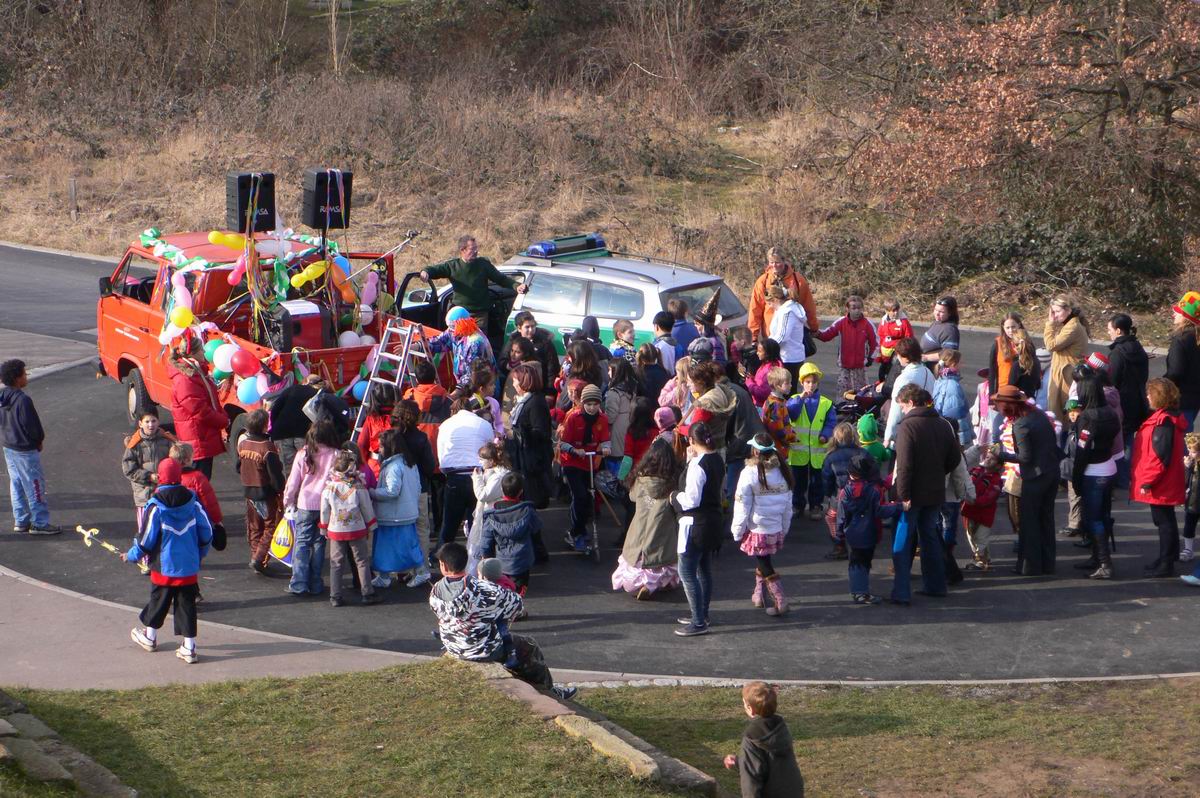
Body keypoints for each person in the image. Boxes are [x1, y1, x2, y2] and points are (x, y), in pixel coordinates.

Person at [429, 542, 576, 699]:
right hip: (483, 649)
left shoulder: (435, 590)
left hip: (453, 646)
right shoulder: (484, 589)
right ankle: (550, 692)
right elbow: (517, 606)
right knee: (529, 646)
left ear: (443, 565)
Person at [124, 458, 211, 664]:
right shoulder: (193, 501)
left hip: (163, 565)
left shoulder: (155, 505)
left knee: (159, 600)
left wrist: (131, 555)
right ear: (179, 476)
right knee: (186, 603)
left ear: (160, 477)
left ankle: (150, 636)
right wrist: (200, 553)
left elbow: (146, 540)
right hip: (188, 564)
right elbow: (206, 531)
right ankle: (189, 647)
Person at [891, 384, 962, 603]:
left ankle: (901, 592)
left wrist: (903, 495)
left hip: (912, 494)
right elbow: (955, 458)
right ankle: (935, 585)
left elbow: (904, 465)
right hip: (935, 491)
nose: (902, 411)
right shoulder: (943, 424)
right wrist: (938, 473)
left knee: (903, 541)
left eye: (902, 406)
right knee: (930, 538)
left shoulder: (908, 426)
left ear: (911, 403)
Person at [992, 385, 1060, 576]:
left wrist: (1001, 455)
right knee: (1046, 520)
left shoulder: (1021, 425)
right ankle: (1047, 564)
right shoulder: (1038, 415)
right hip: (1051, 472)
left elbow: (1024, 457)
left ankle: (1030, 566)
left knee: (1029, 522)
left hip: (1035, 477)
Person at [421, 235, 528, 353]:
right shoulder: (453, 266)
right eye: (472, 249)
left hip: (480, 315)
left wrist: (516, 286)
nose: (476, 251)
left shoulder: (483, 264)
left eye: (476, 248)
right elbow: (435, 270)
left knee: (478, 346)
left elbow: (500, 278)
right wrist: (426, 272)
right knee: (459, 345)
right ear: (463, 250)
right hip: (460, 317)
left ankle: (479, 365)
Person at [731, 434, 794, 616]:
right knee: (763, 559)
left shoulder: (749, 473)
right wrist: (784, 528)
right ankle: (758, 595)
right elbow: (788, 506)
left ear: (755, 451)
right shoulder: (783, 471)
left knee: (765, 563)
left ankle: (780, 600)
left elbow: (742, 505)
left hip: (758, 529)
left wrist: (737, 530)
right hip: (775, 527)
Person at [1132, 378, 1189, 578]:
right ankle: (1168, 557)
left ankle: (1166, 562)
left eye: (1150, 393)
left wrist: (1148, 481)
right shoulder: (1169, 419)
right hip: (1167, 479)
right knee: (1167, 520)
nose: (1147, 396)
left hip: (1160, 481)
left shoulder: (1162, 422)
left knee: (1163, 522)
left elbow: (1159, 456)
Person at [612, 439, 682, 600]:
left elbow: (632, 497)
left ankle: (639, 585)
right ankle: (653, 585)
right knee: (665, 565)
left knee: (635, 563)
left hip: (639, 531)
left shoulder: (640, 480)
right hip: (661, 533)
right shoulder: (673, 483)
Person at [673, 422, 724, 637]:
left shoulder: (698, 465)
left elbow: (691, 500)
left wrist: (674, 497)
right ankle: (702, 614)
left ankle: (698, 621)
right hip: (712, 521)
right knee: (704, 570)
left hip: (695, 524)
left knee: (687, 572)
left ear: (692, 440)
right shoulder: (717, 459)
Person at [0, 359, 59, 535]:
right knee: (35, 486)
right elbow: (32, 426)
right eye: (24, 374)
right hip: (25, 451)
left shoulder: (2, 398)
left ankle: (21, 520)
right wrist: (38, 441)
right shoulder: (23, 400)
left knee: (16, 484)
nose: (26, 376)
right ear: (17, 378)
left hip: (9, 447)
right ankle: (40, 523)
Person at [283, 419, 341, 596]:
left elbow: (293, 483)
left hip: (305, 504)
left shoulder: (303, 454)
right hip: (327, 507)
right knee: (319, 543)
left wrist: (288, 502)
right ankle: (316, 583)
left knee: (302, 543)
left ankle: (299, 583)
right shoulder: (336, 454)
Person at [1070, 378, 1121, 579]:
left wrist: (1076, 477)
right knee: (1104, 514)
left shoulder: (1088, 417)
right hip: (1109, 467)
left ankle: (1104, 563)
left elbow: (1082, 450)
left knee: (1093, 518)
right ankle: (1097, 558)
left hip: (1093, 472)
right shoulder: (1110, 412)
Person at [319, 449, 382, 607]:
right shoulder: (358, 487)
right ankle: (367, 593)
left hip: (336, 530)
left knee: (336, 563)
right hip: (356, 529)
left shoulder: (329, 488)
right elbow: (366, 508)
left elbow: (324, 511)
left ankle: (335, 596)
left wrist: (324, 528)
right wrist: (371, 525)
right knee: (361, 561)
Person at [722, 681, 805, 798]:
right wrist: (739, 762)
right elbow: (770, 763)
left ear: (750, 709)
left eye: (744, 703)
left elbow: (751, 782)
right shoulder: (780, 728)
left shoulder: (751, 738)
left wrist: (745, 763)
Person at [836, 454, 900, 604]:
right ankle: (860, 592)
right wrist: (898, 507)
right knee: (864, 562)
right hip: (870, 532)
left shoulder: (845, 491)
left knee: (856, 562)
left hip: (852, 533)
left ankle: (859, 591)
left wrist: (839, 535)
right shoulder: (874, 490)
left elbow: (841, 516)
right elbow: (880, 511)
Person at [435, 394, 494, 553]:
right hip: (478, 475)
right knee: (477, 522)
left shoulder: (445, 425)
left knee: (449, 523)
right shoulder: (483, 424)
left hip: (454, 476)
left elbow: (441, 454)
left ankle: (440, 555)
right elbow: (490, 448)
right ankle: (477, 555)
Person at [389, 401, 438, 586]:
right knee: (421, 530)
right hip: (419, 489)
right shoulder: (421, 438)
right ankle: (421, 569)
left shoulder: (391, 436)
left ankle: (401, 570)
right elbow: (429, 467)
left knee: (400, 529)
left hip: (396, 491)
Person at [558, 383, 611, 553]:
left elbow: (606, 440)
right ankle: (575, 532)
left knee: (588, 497)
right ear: (583, 403)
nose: (592, 408)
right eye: (588, 404)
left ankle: (580, 529)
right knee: (579, 495)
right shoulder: (573, 417)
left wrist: (606, 448)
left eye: (595, 404)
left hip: (590, 462)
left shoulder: (603, 419)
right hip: (572, 462)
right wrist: (574, 450)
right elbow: (563, 443)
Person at [369, 429, 423, 590]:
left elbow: (392, 491)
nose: (379, 449)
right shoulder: (409, 463)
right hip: (407, 513)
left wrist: (372, 492)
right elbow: (418, 487)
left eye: (381, 446)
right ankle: (419, 571)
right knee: (409, 546)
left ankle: (386, 576)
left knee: (385, 548)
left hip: (392, 515)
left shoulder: (392, 466)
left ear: (389, 447)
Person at [166, 338, 227, 478]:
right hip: (197, 438)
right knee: (198, 482)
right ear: (192, 353)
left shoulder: (194, 373)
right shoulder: (185, 379)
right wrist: (223, 421)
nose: (204, 352)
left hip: (200, 436)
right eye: (201, 349)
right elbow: (199, 411)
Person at [236, 409, 286, 574]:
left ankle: (255, 556)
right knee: (271, 526)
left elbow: (238, 467)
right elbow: (275, 474)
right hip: (266, 493)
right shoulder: (267, 447)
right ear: (265, 426)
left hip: (249, 492)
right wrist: (280, 489)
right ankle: (259, 558)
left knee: (254, 526)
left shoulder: (243, 444)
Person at [786, 362, 834, 520]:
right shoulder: (794, 399)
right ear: (801, 382)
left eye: (813, 382)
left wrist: (825, 435)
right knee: (798, 481)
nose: (811, 385)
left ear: (817, 383)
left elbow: (830, 423)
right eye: (807, 382)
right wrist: (801, 399)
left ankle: (816, 505)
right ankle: (797, 505)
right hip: (798, 450)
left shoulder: (826, 403)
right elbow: (791, 414)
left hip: (817, 451)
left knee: (817, 481)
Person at [478, 472, 540, 594]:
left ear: (502, 490)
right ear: (521, 491)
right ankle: (517, 603)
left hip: (501, 562)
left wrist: (485, 557)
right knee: (519, 590)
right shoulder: (528, 511)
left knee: (502, 590)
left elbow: (486, 541)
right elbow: (536, 530)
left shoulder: (492, 516)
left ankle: (507, 604)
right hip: (522, 560)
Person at [1107, 313, 1149, 488]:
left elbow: (1112, 380)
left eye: (1110, 329)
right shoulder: (1139, 349)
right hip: (1137, 401)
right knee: (1130, 440)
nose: (1108, 332)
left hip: (1121, 403)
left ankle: (1121, 479)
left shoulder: (1117, 353)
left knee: (1118, 442)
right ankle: (1129, 477)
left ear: (1118, 331)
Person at [506, 364, 554, 517]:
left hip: (533, 460)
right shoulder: (524, 400)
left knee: (531, 500)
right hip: (524, 457)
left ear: (524, 381)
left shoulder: (535, 402)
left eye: (515, 380)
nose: (514, 384)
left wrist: (516, 433)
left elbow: (541, 432)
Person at [987, 313, 1042, 441]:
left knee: (1008, 430)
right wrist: (991, 397)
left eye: (1013, 327)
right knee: (1001, 429)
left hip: (1019, 394)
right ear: (1003, 328)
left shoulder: (1026, 343)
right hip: (1003, 391)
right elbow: (992, 372)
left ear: (1019, 325)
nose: (1011, 330)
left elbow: (1032, 367)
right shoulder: (997, 343)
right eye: (1007, 328)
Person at [748, 246, 818, 341]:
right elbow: (755, 310)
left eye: (777, 262)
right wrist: (753, 336)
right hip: (771, 335)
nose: (774, 265)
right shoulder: (763, 281)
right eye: (771, 262)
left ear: (784, 261)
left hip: (793, 336)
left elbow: (808, 306)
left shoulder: (798, 280)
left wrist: (814, 327)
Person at [821, 422, 869, 560]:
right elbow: (873, 474)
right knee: (859, 518)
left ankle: (839, 545)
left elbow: (827, 479)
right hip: (861, 494)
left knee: (832, 518)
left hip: (839, 495)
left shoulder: (831, 457)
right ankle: (859, 546)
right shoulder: (864, 453)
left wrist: (828, 494)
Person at [121, 408, 176, 528]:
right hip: (144, 496)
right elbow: (129, 470)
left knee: (165, 528)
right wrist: (149, 477)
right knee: (146, 529)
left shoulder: (167, 441)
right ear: (140, 423)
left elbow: (177, 462)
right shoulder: (135, 444)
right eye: (147, 421)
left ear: (158, 421)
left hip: (164, 494)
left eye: (154, 421)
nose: (151, 425)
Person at [816, 295, 878, 393]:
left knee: (861, 394)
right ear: (847, 309)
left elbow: (875, 343)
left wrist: (871, 357)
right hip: (844, 368)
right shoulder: (841, 322)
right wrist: (816, 333)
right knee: (843, 395)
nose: (857, 311)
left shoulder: (867, 324)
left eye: (859, 308)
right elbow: (827, 334)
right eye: (853, 308)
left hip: (860, 368)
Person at [1043, 295, 1091, 422]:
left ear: (1068, 310)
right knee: (1059, 414)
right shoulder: (1068, 324)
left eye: (1057, 311)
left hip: (1066, 377)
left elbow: (1051, 345)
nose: (1054, 315)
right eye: (1053, 312)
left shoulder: (1072, 327)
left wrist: (1050, 324)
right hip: (1063, 373)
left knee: (1063, 416)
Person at [171, 441, 225, 552]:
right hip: (194, 521)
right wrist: (217, 520)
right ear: (188, 460)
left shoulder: (169, 478)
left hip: (173, 522)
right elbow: (209, 502)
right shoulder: (197, 477)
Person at [467, 441, 512, 575]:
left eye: (482, 459)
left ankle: (486, 575)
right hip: (492, 514)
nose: (479, 462)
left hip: (491, 516)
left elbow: (483, 495)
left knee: (486, 547)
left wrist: (477, 479)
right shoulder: (495, 472)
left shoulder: (498, 476)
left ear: (491, 461)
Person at [882, 337, 935, 447]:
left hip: (907, 429)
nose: (897, 357)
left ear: (906, 357)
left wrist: (888, 437)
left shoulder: (903, 378)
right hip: (927, 424)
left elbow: (896, 411)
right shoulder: (928, 372)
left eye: (898, 355)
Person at [428, 306, 496, 390]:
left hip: (482, 388)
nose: (450, 330)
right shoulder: (454, 332)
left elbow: (471, 374)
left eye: (452, 326)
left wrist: (457, 392)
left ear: (462, 324)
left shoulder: (475, 342)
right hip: (464, 385)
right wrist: (419, 345)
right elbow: (440, 341)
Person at [679, 360, 739, 453]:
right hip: (720, 445)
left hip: (707, 451)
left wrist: (678, 429)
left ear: (700, 382)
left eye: (690, 381)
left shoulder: (704, 405)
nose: (687, 384)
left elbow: (694, 431)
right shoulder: (717, 391)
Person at [266, 374, 319, 476]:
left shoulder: (291, 390)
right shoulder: (316, 394)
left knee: (287, 467)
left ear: (305, 381)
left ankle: (289, 485)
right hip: (303, 434)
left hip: (282, 433)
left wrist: (273, 430)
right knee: (305, 465)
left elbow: (275, 410)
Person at [502, 311, 560, 400]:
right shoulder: (514, 341)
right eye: (527, 327)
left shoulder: (545, 343)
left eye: (533, 326)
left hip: (539, 390)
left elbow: (552, 369)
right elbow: (502, 361)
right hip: (515, 390)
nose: (531, 330)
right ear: (519, 328)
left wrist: (550, 393)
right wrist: (511, 366)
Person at [962, 449, 1004, 571]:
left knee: (981, 537)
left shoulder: (996, 480)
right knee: (971, 536)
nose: (988, 459)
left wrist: (974, 501)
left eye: (992, 459)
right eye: (987, 457)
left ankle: (980, 561)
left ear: (998, 466)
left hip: (984, 515)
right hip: (969, 511)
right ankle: (985, 557)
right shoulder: (975, 471)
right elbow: (964, 482)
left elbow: (990, 496)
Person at [1165, 292, 1200, 432]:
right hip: (1196, 398)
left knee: (1179, 436)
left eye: (1178, 311)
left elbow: (1175, 372)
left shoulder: (1181, 340)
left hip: (1181, 398)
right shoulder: (1196, 337)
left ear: (1186, 316)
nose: (1174, 313)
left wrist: (1163, 385)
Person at [766, 285, 808, 387]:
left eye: (769, 303)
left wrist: (767, 347)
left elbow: (782, 336)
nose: (769, 306)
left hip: (789, 358)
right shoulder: (780, 311)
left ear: (776, 300)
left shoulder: (787, 312)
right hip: (786, 356)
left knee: (787, 389)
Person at [933, 348, 974, 447]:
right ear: (953, 364)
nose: (962, 364)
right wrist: (962, 441)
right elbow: (956, 415)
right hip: (952, 437)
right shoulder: (953, 386)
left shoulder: (939, 380)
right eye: (960, 362)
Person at [356, 383, 397, 480]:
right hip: (397, 467)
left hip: (374, 468)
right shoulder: (399, 418)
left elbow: (361, 444)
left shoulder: (371, 419)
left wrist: (364, 468)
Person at [605, 358, 640, 472]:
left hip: (617, 428)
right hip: (630, 422)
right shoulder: (632, 387)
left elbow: (610, 416)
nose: (608, 373)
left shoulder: (613, 392)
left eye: (610, 370)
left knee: (616, 458)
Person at [761, 367, 795, 458]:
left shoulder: (779, 401)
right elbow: (777, 430)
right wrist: (792, 437)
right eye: (787, 383)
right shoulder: (775, 405)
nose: (791, 385)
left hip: (779, 447)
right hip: (777, 449)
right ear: (777, 386)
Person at [876, 299, 913, 382]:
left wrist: (906, 352)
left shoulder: (903, 322)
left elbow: (909, 338)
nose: (895, 313)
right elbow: (880, 336)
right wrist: (879, 354)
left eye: (897, 310)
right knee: (882, 371)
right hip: (885, 351)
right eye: (893, 311)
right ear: (887, 311)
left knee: (894, 371)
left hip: (897, 351)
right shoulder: (883, 321)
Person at [741, 337, 783, 407]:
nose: (757, 353)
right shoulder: (768, 364)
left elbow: (764, 394)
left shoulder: (770, 371)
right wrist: (752, 378)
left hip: (762, 406)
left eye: (760, 351)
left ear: (768, 353)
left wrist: (749, 383)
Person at [920, 296, 960, 365]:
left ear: (950, 313)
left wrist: (926, 357)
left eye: (941, 312)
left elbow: (949, 354)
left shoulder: (950, 330)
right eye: (936, 310)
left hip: (933, 368)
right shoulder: (937, 322)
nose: (937, 313)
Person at [690, 290, 728, 363]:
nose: (695, 326)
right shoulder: (703, 339)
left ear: (704, 326)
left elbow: (719, 364)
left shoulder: (715, 343)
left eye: (697, 324)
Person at [1182, 434, 1200, 564]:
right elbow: (1184, 482)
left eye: (1193, 451)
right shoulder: (1191, 463)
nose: (1189, 454)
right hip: (1193, 500)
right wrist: (1187, 468)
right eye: (1188, 450)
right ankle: (1188, 549)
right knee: (1189, 525)